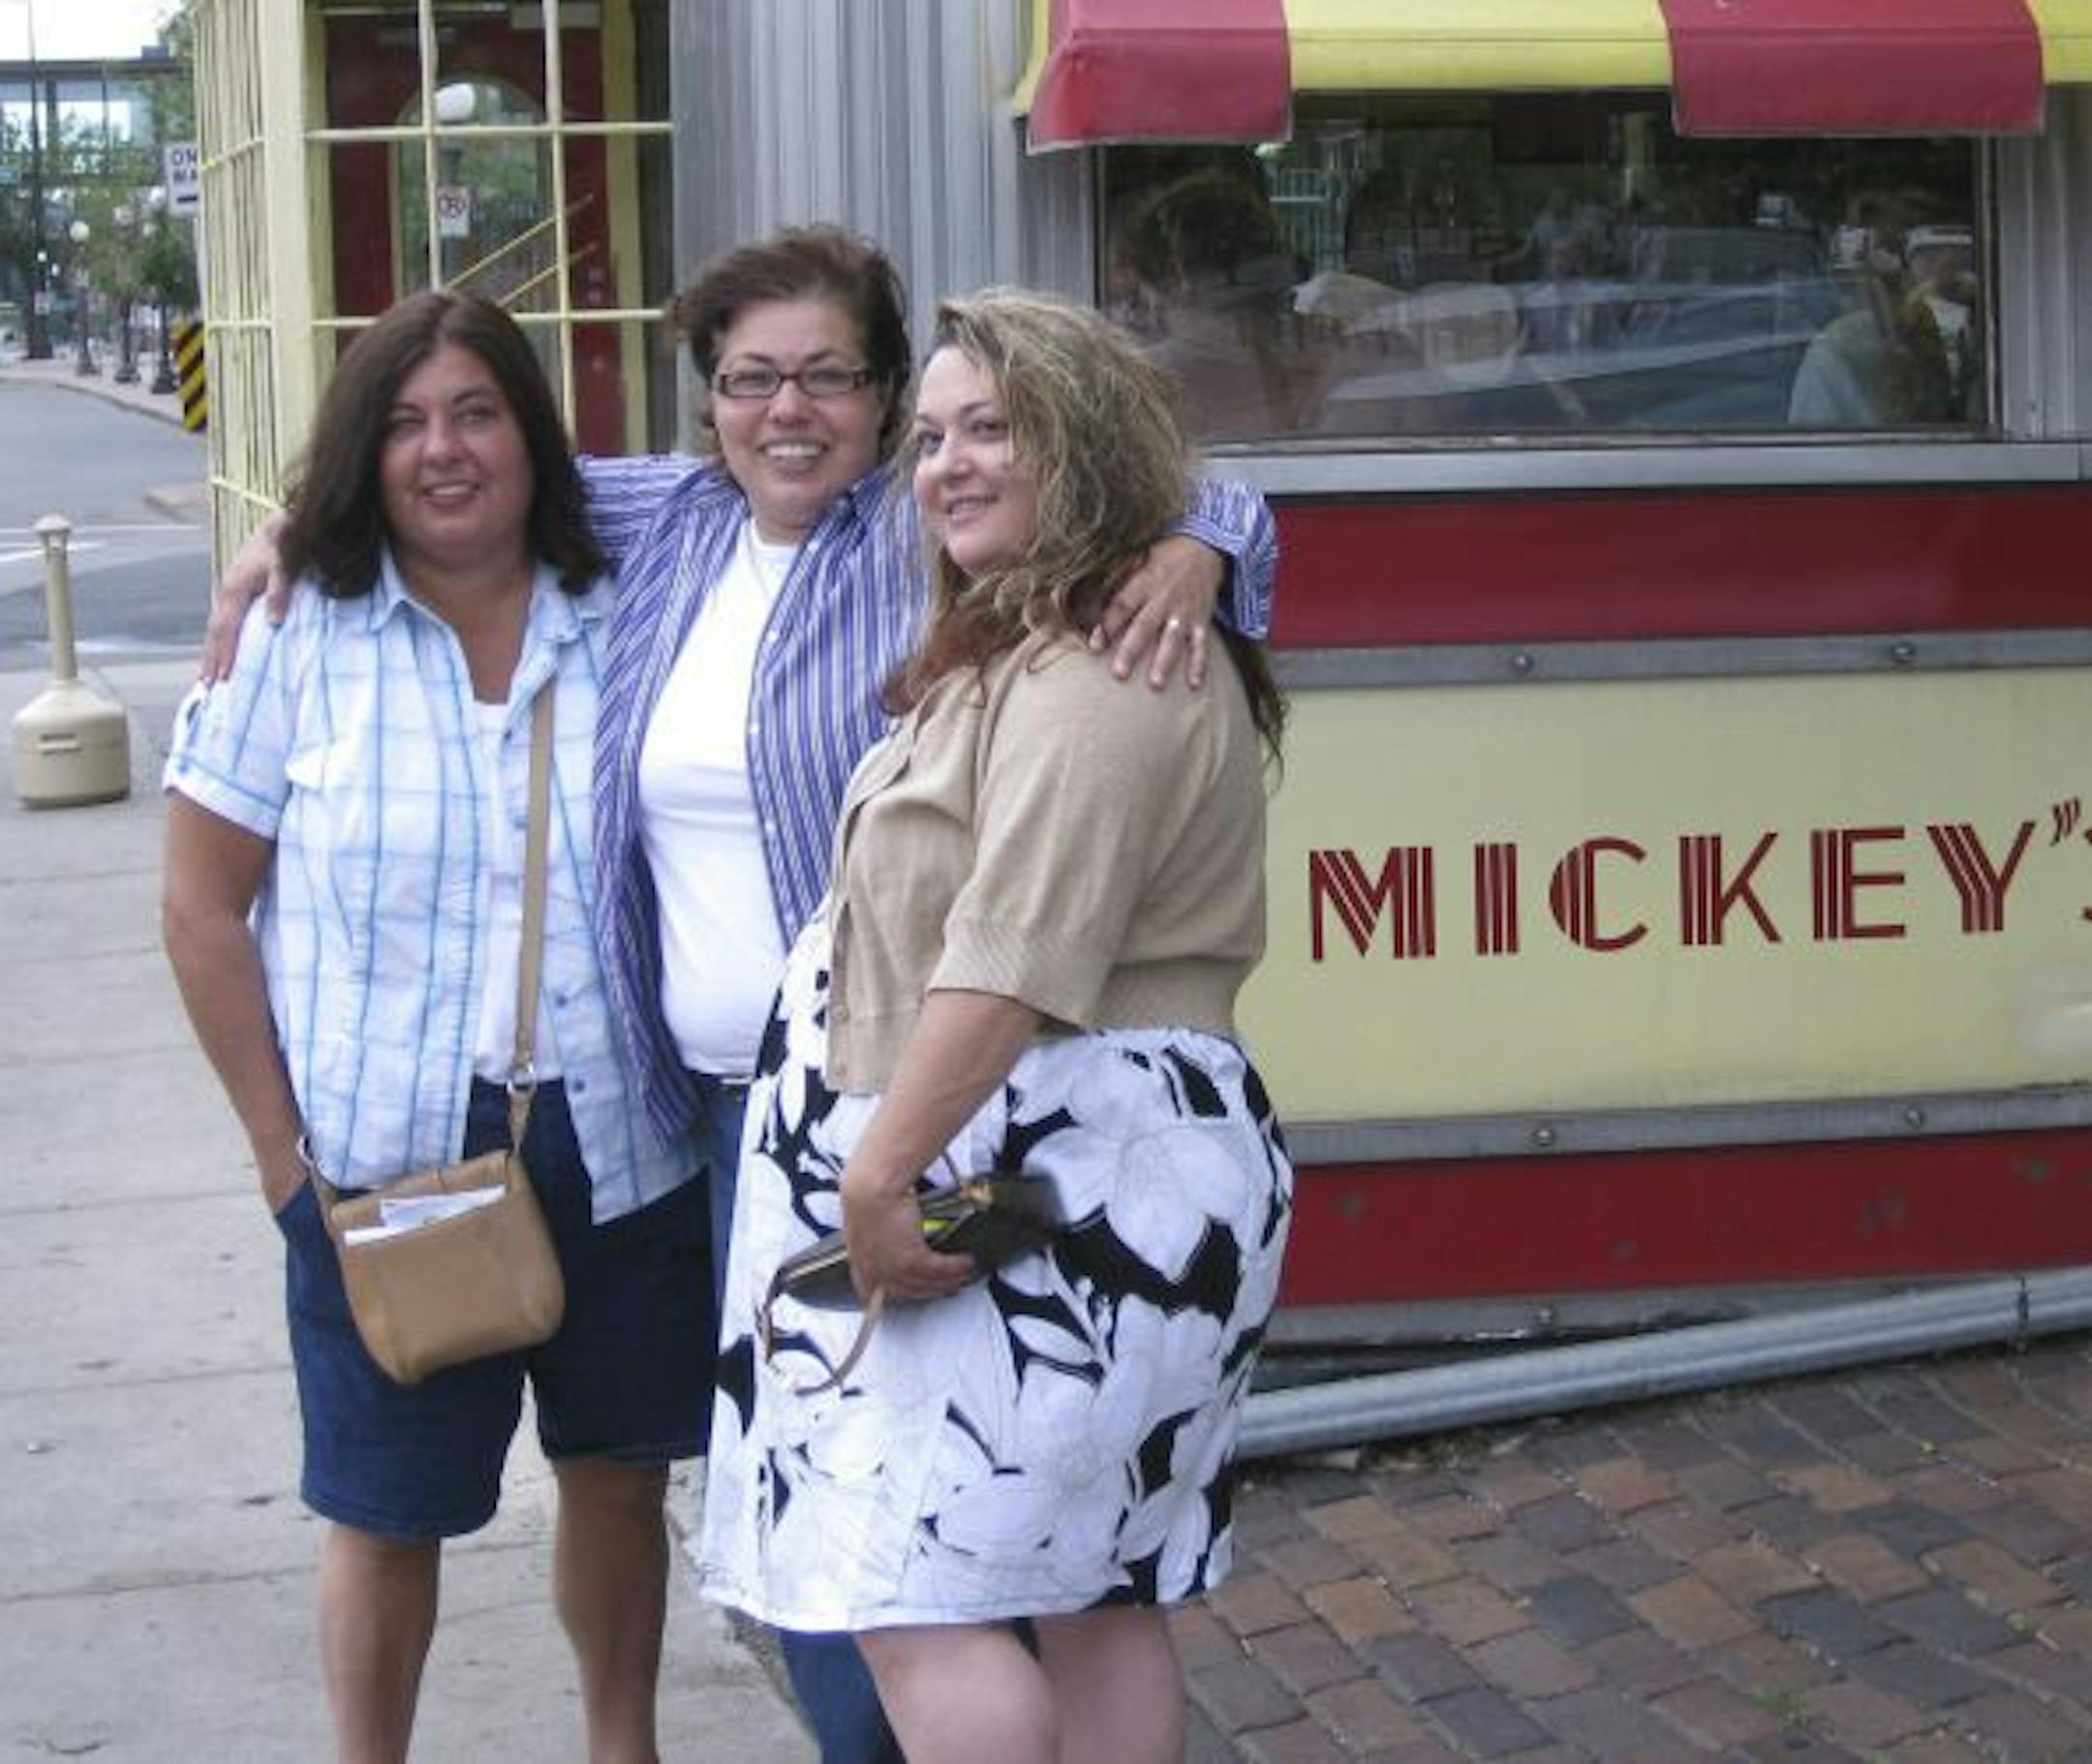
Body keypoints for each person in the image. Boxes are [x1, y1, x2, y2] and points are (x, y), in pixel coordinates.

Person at [201, 226, 1278, 1763]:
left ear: (882, 394)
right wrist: (285, 543)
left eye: (830, 379)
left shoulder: (931, 542)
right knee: (834, 1515)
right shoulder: (666, 519)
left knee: (899, 1540)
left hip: (920, 1112)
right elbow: (441, 476)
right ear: (704, 404)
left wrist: (1206, 538)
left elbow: (1137, 473)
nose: (789, 412)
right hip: (708, 1126)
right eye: (749, 379)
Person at [700, 290, 1295, 1763]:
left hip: (1049, 1177)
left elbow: (1015, 950)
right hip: (1051, 1169)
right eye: (933, 435)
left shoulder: (1104, 664)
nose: (948, 463)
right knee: (1092, 1586)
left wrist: (876, 1172)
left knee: (908, 1585)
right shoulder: (1031, 639)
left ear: (1079, 447)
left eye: (994, 428)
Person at [162, 290, 708, 1764]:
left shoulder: (635, 598)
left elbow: (790, 478)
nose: (443, 450)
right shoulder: (297, 628)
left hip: (617, 1140)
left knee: (614, 1476)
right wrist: (288, 1172)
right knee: (384, 1509)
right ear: (363, 451)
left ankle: (621, 1745)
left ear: (533, 436)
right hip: (384, 1155)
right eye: (403, 422)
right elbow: (203, 908)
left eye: (476, 412)